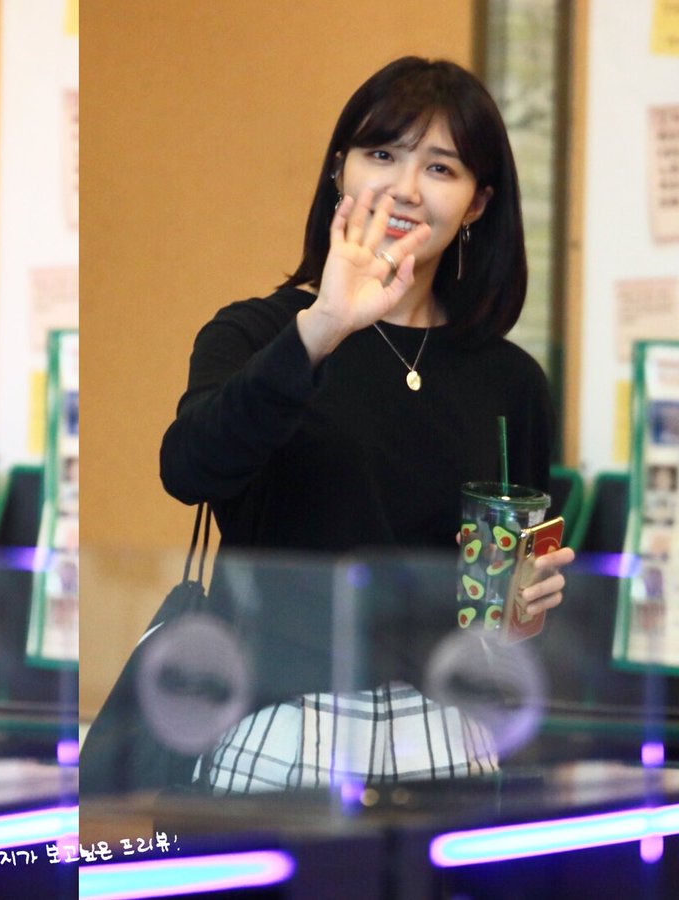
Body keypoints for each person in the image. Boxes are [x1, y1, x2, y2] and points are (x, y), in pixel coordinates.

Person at [159, 57, 576, 792]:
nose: (406, 188)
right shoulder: (258, 334)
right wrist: (322, 327)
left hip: (448, 733)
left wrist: (527, 604)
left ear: (477, 204)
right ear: (338, 171)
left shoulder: (512, 380)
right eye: (382, 154)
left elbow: (506, 590)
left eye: (441, 168)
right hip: (281, 725)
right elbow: (188, 469)